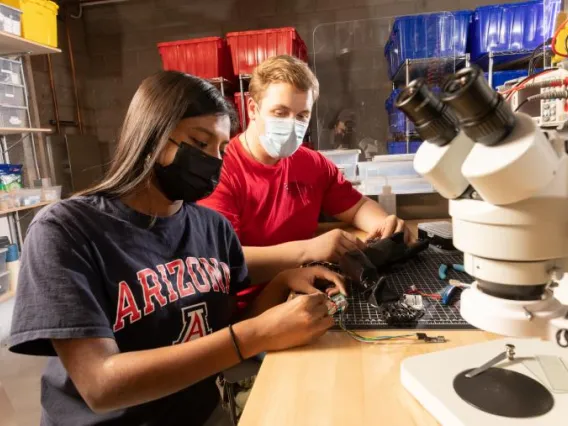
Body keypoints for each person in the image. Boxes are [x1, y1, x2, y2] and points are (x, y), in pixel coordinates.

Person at [8, 71, 345, 426]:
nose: (214, 161)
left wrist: (282, 282)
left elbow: (220, 335)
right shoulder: (66, 229)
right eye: (200, 144)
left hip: (198, 414)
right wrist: (256, 334)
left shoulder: (212, 228)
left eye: (221, 149)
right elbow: (101, 385)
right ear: (150, 137)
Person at [199, 55, 409, 309]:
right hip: (252, 307)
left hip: (307, 287)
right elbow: (223, 263)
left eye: (302, 116)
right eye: (280, 113)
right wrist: (310, 250)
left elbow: (356, 206)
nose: (291, 124)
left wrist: (385, 224)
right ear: (252, 109)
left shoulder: (311, 164)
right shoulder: (222, 171)